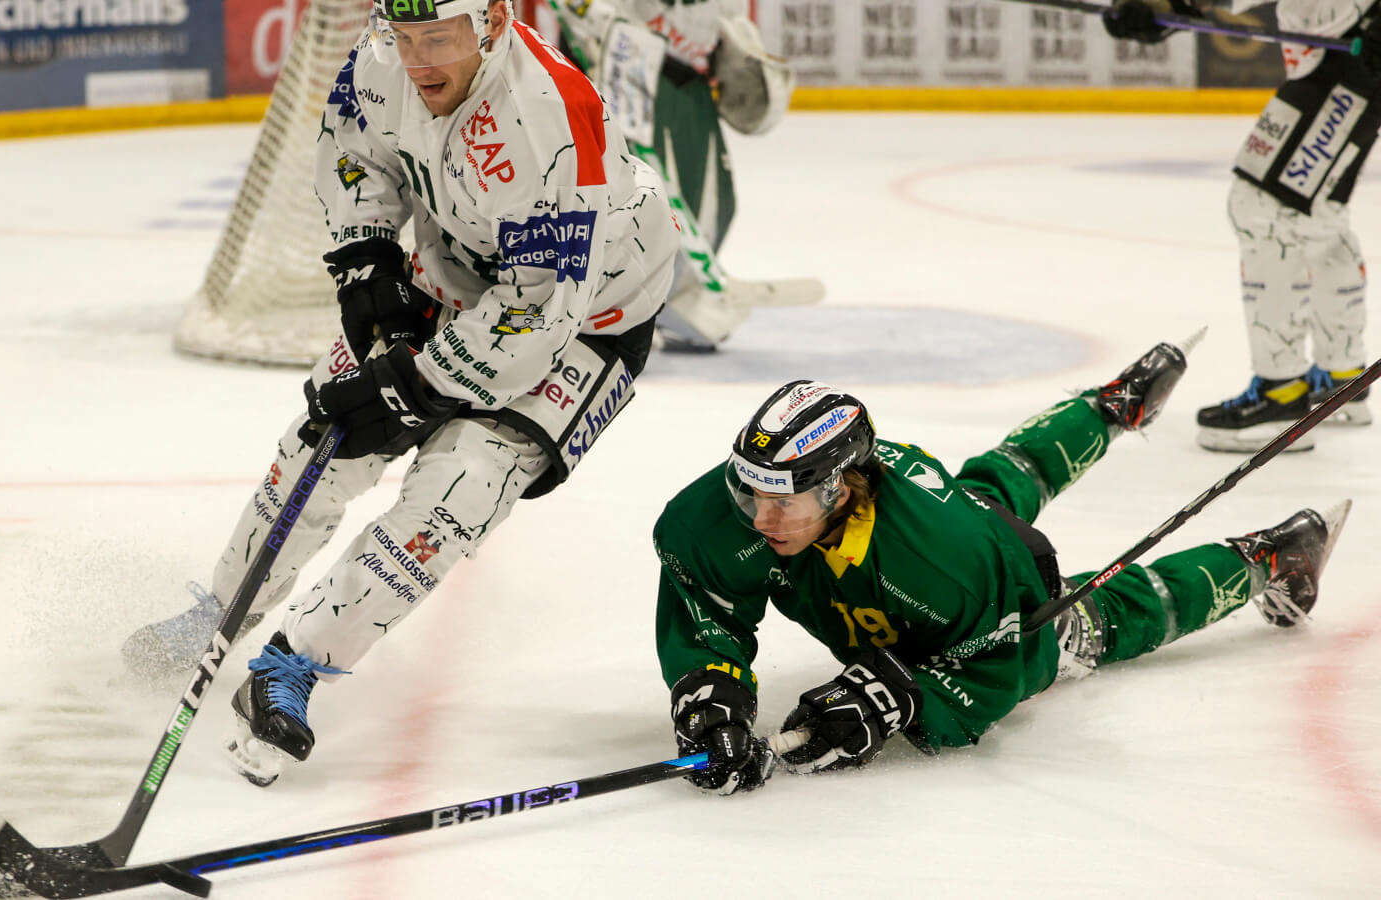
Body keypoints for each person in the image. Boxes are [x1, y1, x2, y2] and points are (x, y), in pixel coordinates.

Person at [121, 0, 679, 786]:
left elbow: (538, 311)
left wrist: (410, 387)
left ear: (489, 21)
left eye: (438, 38)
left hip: (588, 323)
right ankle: (220, 610)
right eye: (405, 36)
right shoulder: (384, 57)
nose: (418, 60)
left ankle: (296, 666)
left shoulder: (548, 118)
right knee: (323, 436)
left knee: (456, 491)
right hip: (457, 264)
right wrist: (369, 262)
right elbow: (357, 148)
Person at [653, 337, 1351, 794]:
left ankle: (1272, 553)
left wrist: (904, 698)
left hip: (999, 575)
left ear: (840, 487)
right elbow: (703, 603)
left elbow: (1007, 664)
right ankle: (1114, 404)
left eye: (783, 500)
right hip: (951, 518)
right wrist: (710, 688)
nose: (758, 518)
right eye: (749, 494)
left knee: (1108, 617)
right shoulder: (731, 513)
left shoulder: (946, 562)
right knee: (1002, 474)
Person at [1102, 0, 1376, 452]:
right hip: (1338, 50)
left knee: (1263, 207)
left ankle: (1281, 394)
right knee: (1317, 208)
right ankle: (1342, 376)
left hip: (1349, 55)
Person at [551, 0, 809, 350]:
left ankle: (681, 293)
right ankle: (628, 302)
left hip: (691, 83)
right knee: (640, 201)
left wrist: (738, 41)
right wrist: (598, 25)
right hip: (639, 71)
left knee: (716, 203)